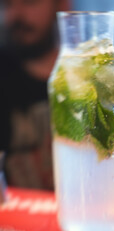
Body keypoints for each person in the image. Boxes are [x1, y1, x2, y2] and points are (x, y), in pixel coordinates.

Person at [0, 0, 70, 190]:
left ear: (62, 5)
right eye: (7, 4)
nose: (16, 15)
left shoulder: (98, 72)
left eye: (30, 2)